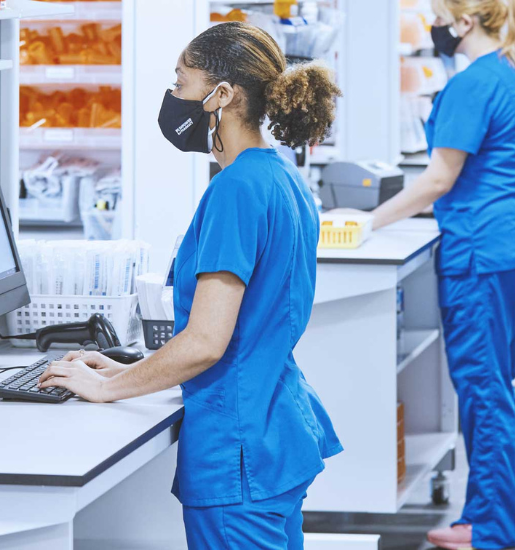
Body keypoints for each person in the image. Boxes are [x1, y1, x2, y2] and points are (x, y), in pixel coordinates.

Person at [38, 22, 343, 549]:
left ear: (221, 96)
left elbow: (206, 341)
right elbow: (248, 326)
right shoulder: (281, 176)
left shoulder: (235, 190)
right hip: (274, 429)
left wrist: (107, 387)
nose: (174, 97)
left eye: (181, 83)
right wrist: (132, 366)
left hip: (237, 451)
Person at [372, 0, 515, 548]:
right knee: (494, 378)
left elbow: (437, 180)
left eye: (440, 15)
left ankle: (496, 526)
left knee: (480, 385)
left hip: (483, 253)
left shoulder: (473, 84)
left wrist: (365, 221)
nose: (437, 26)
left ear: (465, 21)